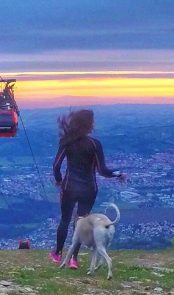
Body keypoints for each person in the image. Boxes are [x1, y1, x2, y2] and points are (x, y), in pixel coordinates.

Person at [49, 109, 126, 269]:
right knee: (80, 223)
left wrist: (59, 182)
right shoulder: (94, 144)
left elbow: (56, 166)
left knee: (65, 219)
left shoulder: (67, 141)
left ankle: (57, 254)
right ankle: (73, 260)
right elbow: (103, 170)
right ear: (88, 124)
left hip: (69, 187)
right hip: (89, 189)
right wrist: (118, 173)